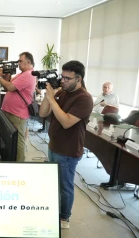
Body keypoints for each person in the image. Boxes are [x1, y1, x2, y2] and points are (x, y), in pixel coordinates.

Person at [39, 60, 93, 229]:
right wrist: (50, 96)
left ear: (79, 79)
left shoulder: (84, 99)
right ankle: (54, 210)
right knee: (55, 183)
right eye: (62, 77)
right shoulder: (62, 92)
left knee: (65, 186)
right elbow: (43, 112)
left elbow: (67, 122)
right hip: (54, 145)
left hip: (68, 151)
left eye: (67, 78)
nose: (63, 81)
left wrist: (52, 100)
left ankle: (64, 218)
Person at [0, 52, 36, 162]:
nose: (18, 63)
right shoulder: (22, 74)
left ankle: (19, 165)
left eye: (20, 61)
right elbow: (7, 85)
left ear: (28, 62)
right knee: (10, 140)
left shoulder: (28, 74)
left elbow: (10, 87)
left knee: (18, 142)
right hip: (11, 112)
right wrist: (6, 74)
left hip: (17, 114)